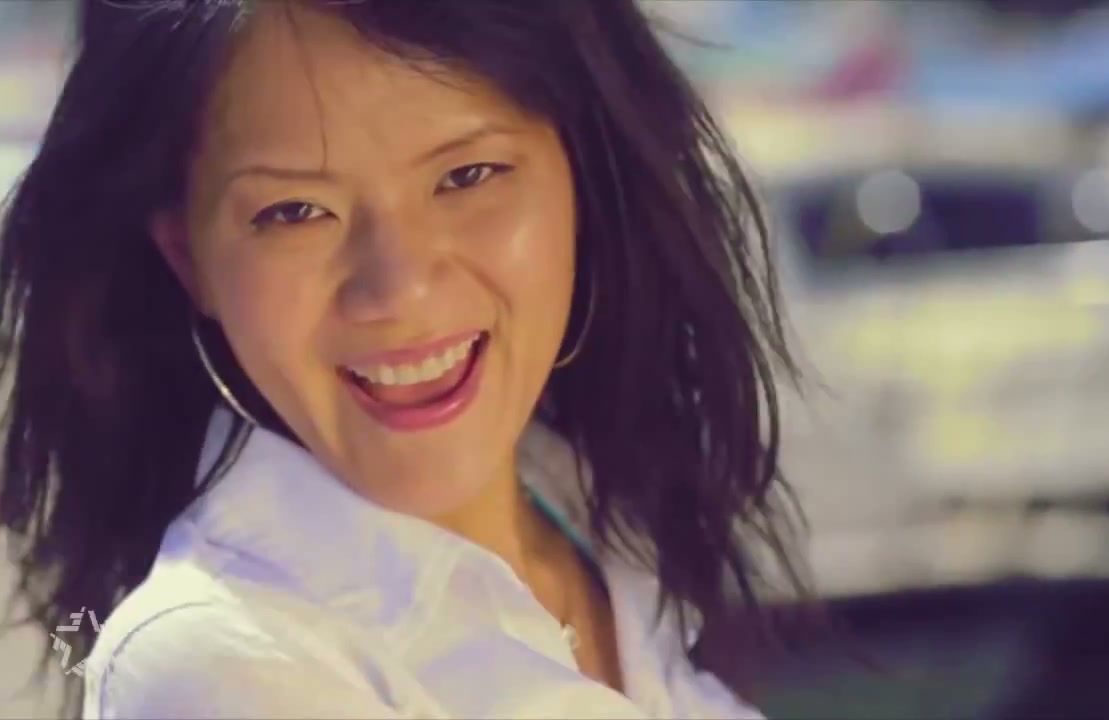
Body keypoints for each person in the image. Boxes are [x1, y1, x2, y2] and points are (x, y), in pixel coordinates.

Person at [0, 0, 809, 717]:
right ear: (190, 260)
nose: (400, 290)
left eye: (467, 175)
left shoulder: (592, 505)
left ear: (583, 176)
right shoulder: (232, 666)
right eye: (295, 211)